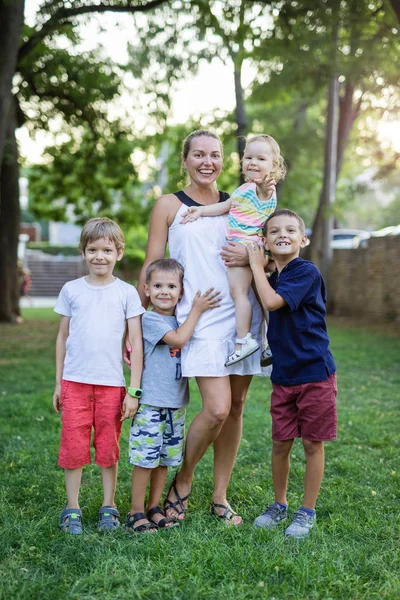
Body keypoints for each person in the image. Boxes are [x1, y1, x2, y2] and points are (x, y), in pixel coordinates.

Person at [129, 129, 269, 526]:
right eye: (199, 155)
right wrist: (137, 325)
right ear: (185, 160)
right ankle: (183, 481)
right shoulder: (168, 205)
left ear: (224, 160)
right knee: (217, 407)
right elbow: (152, 266)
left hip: (243, 317)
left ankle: (220, 497)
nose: (208, 162)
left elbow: (269, 247)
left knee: (237, 407)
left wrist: (251, 252)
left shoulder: (240, 201)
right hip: (199, 318)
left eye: (215, 155)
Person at [247, 209, 337, 538]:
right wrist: (258, 266)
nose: (282, 234)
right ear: (265, 242)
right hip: (283, 377)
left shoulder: (305, 272)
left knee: (312, 444)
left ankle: (307, 510)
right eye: (273, 231)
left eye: (290, 229)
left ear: (303, 239)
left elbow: (271, 303)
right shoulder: (272, 276)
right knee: (280, 443)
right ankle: (280, 503)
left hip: (315, 374)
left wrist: (257, 265)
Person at [53, 217, 144, 535]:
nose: (99, 256)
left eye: (107, 250)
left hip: (111, 385)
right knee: (73, 445)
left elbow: (136, 343)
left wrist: (134, 390)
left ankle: (109, 505)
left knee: (108, 446)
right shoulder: (71, 290)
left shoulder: (127, 292)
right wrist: (57, 382)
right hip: (75, 382)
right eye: (93, 249)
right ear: (83, 251)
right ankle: (72, 507)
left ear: (119, 252)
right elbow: (62, 337)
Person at [126, 258, 221, 533]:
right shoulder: (150, 319)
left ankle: (154, 507)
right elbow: (179, 340)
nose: (164, 291)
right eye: (157, 285)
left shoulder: (178, 319)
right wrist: (198, 310)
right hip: (152, 403)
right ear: (146, 289)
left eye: (171, 286)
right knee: (146, 459)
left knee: (166, 459)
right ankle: (135, 511)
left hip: (176, 404)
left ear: (181, 291)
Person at [180, 134, 286, 367]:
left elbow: (265, 194)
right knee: (257, 295)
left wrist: (265, 186)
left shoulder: (263, 189)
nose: (253, 163)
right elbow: (226, 206)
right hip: (247, 248)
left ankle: (244, 340)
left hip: (245, 248)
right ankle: (270, 342)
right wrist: (199, 211)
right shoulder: (244, 190)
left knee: (240, 295)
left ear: (273, 166)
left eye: (261, 159)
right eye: (249, 157)